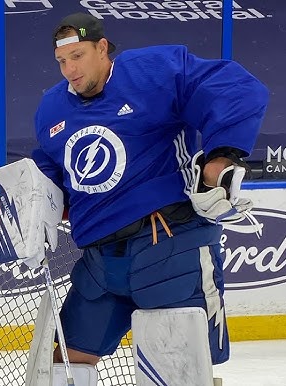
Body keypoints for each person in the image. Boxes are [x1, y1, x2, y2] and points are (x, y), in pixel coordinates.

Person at [29, 12, 268, 384]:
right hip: (100, 260)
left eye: (77, 56)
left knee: (179, 368)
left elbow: (233, 87)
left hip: (167, 243)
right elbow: (49, 169)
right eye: (62, 61)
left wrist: (220, 157)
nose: (69, 69)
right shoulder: (52, 107)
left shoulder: (152, 71)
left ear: (102, 47)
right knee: (64, 366)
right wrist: (29, 205)